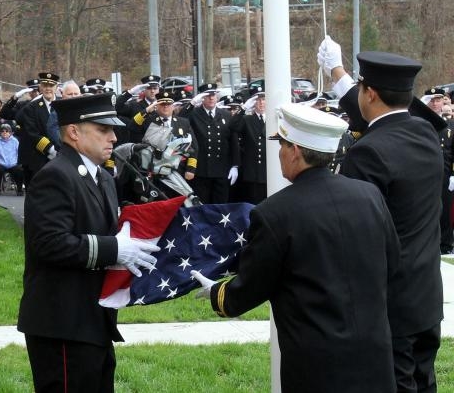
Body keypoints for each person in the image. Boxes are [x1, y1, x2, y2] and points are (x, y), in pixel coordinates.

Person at [192, 103, 399, 393]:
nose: (279, 154)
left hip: (316, 365)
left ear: (296, 151)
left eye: (282, 145)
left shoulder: (275, 213)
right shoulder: (369, 195)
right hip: (374, 352)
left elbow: (251, 287)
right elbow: (392, 262)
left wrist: (219, 295)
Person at [318, 37, 443, 392]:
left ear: (370, 93)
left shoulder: (368, 154)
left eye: (361, 87)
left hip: (387, 303)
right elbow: (397, 113)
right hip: (424, 297)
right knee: (423, 383)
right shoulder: (426, 134)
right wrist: (339, 74)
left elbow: (353, 235)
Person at [18, 92, 160, 392]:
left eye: (113, 129)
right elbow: (49, 243)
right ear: (73, 132)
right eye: (103, 129)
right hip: (62, 322)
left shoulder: (103, 178)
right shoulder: (55, 176)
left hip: (92, 318)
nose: (113, 136)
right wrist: (114, 249)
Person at [187, 83, 240, 204]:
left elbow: (233, 141)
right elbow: (179, 119)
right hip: (201, 170)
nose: (211, 98)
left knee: (220, 206)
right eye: (207, 95)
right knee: (202, 205)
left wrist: (235, 165)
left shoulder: (226, 115)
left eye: (213, 95)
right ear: (202, 98)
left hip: (222, 169)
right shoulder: (194, 114)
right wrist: (191, 104)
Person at [15, 72, 60, 189]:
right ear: (40, 87)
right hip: (38, 158)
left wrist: (61, 150)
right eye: (45, 85)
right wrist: (51, 150)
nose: (48, 89)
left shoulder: (63, 104)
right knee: (38, 193)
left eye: (51, 86)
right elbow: (32, 133)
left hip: (62, 156)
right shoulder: (31, 107)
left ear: (56, 87)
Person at [425, 87, 454, 254]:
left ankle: (446, 244)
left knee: (445, 211)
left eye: (438, 100)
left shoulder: (450, 125)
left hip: (445, 174)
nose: (436, 103)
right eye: (433, 100)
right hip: (425, 174)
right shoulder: (422, 122)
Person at [230, 89, 267, 204]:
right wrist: (243, 108)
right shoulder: (247, 119)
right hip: (252, 172)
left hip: (268, 171)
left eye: (264, 99)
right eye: (257, 100)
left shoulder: (273, 119)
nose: (261, 103)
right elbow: (232, 126)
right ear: (253, 102)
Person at [0, 124, 24, 195]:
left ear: (10, 133)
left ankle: (19, 189)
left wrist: (15, 162)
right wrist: (1, 162)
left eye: (7, 131)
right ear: (0, 133)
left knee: (20, 169)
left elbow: (19, 153)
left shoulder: (15, 141)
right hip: (1, 163)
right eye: (2, 131)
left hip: (13, 163)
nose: (4, 132)